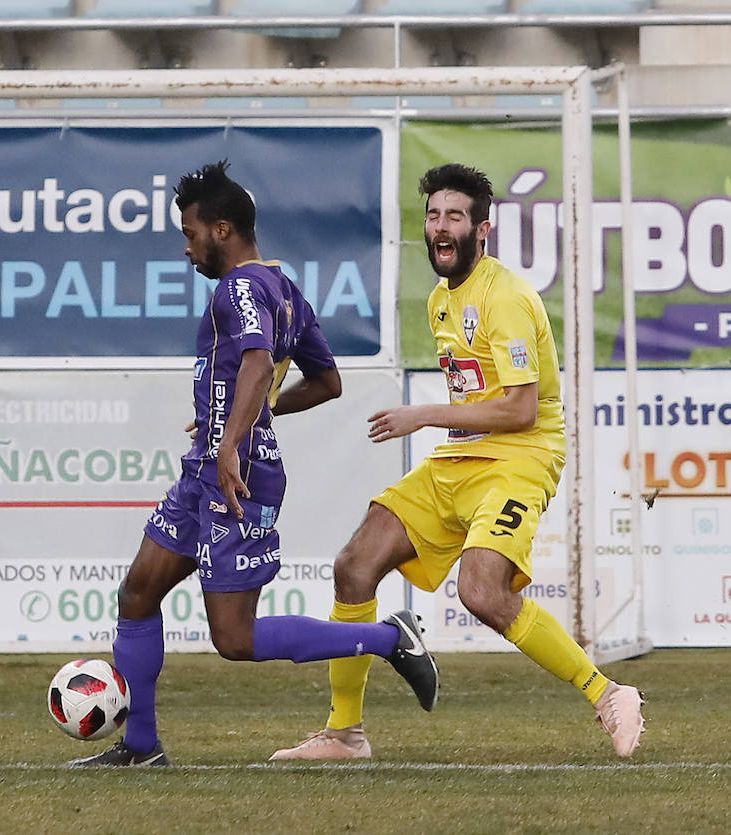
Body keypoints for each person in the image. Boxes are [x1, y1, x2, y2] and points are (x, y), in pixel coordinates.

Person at [69, 160, 439, 768]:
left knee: (234, 638)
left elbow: (258, 364)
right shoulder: (285, 289)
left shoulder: (239, 287)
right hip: (208, 471)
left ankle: (390, 639)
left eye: (189, 233)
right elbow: (327, 382)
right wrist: (240, 425)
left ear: (221, 229)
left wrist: (232, 440)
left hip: (232, 475)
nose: (186, 248)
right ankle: (140, 748)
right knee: (138, 593)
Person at [270, 163, 645, 762]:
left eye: (454, 217)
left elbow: (521, 410)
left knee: (482, 593)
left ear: (481, 230)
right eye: (433, 216)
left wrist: (424, 415)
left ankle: (608, 693)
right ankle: (345, 734)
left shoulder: (509, 299)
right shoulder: (442, 300)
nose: (440, 227)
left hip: (520, 459)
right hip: (463, 458)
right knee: (354, 565)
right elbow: (478, 397)